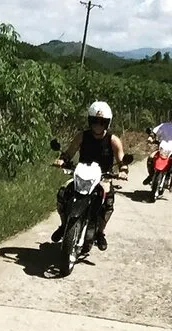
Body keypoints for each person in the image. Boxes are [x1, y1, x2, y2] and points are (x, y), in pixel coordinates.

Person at [51, 101, 128, 251]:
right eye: (94, 121)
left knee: (108, 201)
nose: (98, 125)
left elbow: (121, 160)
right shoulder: (82, 136)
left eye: (102, 122)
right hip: (81, 175)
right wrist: (62, 160)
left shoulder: (113, 140)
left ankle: (100, 233)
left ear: (107, 123)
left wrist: (123, 171)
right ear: (89, 121)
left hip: (103, 177)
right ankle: (64, 225)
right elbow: (69, 153)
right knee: (63, 193)